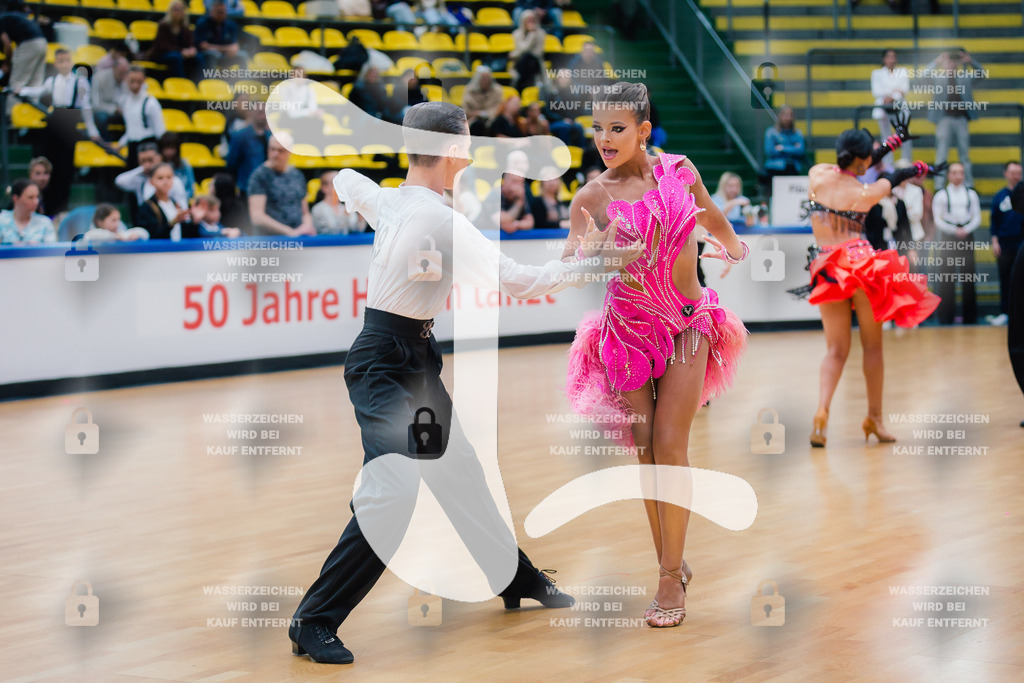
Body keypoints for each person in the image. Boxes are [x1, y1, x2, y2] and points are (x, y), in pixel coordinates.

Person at [288, 100, 641, 665]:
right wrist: (596, 263)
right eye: (468, 142)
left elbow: (344, 179)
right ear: (452, 152)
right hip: (383, 364)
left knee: (460, 476)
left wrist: (362, 184)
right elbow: (520, 282)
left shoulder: (392, 201)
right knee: (394, 489)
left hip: (414, 360)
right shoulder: (438, 221)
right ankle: (313, 620)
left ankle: (513, 579)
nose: (473, 151)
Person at [564, 82, 749, 629]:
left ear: (644, 130)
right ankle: (670, 562)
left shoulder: (680, 171)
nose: (604, 138)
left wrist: (735, 246)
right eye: (597, 128)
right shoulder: (592, 196)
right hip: (626, 331)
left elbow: (711, 217)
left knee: (670, 443)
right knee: (645, 453)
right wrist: (602, 247)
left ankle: (670, 579)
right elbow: (571, 263)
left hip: (688, 323)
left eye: (617, 128)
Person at [790, 122, 940, 447]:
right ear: (860, 162)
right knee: (873, 347)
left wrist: (893, 141)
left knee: (835, 350)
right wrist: (920, 167)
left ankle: (822, 410)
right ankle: (875, 418)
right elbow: (895, 176)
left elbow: (864, 162)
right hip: (860, 266)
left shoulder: (817, 174)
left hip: (826, 265)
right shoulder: (864, 193)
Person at [17, 48, 100, 215]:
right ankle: (44, 206)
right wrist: (22, 90)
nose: (64, 64)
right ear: (56, 63)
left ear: (72, 61)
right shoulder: (52, 81)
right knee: (49, 168)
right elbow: (39, 91)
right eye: (60, 61)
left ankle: (61, 209)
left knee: (65, 170)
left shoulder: (80, 82)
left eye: (67, 60)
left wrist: (92, 130)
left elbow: (85, 106)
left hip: (69, 125)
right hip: (54, 124)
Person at [926, 49, 984, 190]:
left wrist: (970, 61)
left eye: (953, 61)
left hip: (961, 119)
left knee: (964, 154)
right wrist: (937, 61)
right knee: (941, 154)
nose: (951, 64)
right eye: (948, 61)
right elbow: (924, 75)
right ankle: (939, 185)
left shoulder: (965, 77)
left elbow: (981, 73)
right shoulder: (938, 78)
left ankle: (968, 185)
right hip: (944, 119)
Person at [932, 161, 980, 325]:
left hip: (966, 236)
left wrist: (966, 229)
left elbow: (977, 217)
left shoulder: (971, 194)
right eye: (954, 172)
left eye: (961, 172)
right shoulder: (941, 195)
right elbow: (938, 220)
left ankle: (970, 317)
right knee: (947, 278)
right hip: (948, 238)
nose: (958, 175)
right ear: (948, 175)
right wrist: (954, 231)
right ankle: (946, 317)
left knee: (968, 277)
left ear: (964, 175)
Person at [247, 134, 316, 237]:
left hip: (298, 237)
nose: (275, 154)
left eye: (281, 150)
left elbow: (305, 212)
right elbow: (257, 217)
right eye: (272, 149)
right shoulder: (259, 176)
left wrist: (307, 226)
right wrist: (288, 231)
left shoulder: (297, 175)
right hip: (270, 239)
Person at [989, 161, 1023, 327]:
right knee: (1006, 279)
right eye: (1013, 172)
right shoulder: (1000, 196)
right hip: (1004, 243)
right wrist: (995, 241)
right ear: (1006, 174)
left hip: (1021, 243)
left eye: (1018, 172)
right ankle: (1005, 312)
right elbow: (994, 221)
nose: (1016, 175)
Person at [115, 141, 189, 211]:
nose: (147, 165)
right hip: (145, 220)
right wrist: (142, 168)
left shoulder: (173, 180)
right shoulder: (139, 179)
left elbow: (183, 205)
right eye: (143, 161)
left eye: (150, 160)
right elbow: (119, 181)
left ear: (159, 157)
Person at [117, 66, 165, 170]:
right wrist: (121, 143)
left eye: (139, 81)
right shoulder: (125, 101)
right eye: (132, 81)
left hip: (148, 148)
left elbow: (160, 131)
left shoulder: (151, 102)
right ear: (126, 80)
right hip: (132, 147)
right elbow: (131, 128)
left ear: (144, 80)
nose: (135, 85)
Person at [0, 10, 47, 115]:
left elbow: (7, 44)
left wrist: (7, 64)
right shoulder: (10, 17)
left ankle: (10, 119)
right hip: (42, 42)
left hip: (28, 43)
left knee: (16, 84)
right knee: (34, 84)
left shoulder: (1, 20)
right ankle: (31, 118)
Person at [871, 49, 911, 163]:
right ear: (884, 59)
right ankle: (888, 164)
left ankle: (906, 163)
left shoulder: (903, 71)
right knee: (886, 137)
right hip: (884, 107)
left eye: (893, 57)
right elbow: (876, 91)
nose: (891, 60)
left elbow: (904, 89)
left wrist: (892, 96)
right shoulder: (877, 73)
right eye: (889, 57)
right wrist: (895, 92)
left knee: (904, 136)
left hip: (899, 107)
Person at [759, 105, 807, 197]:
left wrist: (782, 148)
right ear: (779, 116)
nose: (788, 118)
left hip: (793, 170)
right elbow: (770, 151)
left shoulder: (798, 133)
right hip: (774, 171)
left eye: (790, 115)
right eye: (785, 115)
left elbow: (800, 151)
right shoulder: (771, 132)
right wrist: (793, 147)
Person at [225, 101, 270, 195]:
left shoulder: (271, 137)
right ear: (250, 113)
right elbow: (231, 164)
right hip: (247, 188)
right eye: (260, 112)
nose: (263, 116)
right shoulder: (239, 137)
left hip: (268, 187)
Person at [136, 162, 190, 239]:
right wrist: (173, 222)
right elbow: (151, 235)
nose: (165, 182)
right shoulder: (147, 207)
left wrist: (195, 220)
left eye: (169, 177)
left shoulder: (175, 203)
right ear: (151, 181)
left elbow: (185, 233)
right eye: (160, 178)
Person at [149, 0, 198, 79]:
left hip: (180, 54)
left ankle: (199, 81)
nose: (179, 12)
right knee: (176, 57)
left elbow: (190, 43)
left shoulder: (186, 28)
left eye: (181, 9)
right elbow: (163, 46)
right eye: (176, 9)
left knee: (198, 57)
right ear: (170, 11)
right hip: (161, 54)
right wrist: (182, 51)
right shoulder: (163, 25)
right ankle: (181, 81)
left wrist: (192, 49)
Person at [195, 0, 245, 71]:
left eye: (224, 12)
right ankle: (210, 80)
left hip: (225, 55)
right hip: (207, 56)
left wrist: (219, 49)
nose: (222, 14)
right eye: (219, 12)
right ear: (212, 12)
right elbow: (203, 46)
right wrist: (225, 49)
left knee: (242, 55)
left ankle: (243, 80)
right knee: (212, 54)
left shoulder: (231, 25)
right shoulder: (202, 23)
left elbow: (235, 46)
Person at [311, 170, 366, 235]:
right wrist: (345, 215)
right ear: (324, 187)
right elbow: (330, 233)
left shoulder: (345, 207)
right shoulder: (318, 209)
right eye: (336, 183)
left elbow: (357, 230)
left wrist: (361, 216)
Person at [0, 179, 54, 244]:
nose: (36, 202)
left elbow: (52, 250)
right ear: (16, 198)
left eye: (37, 197)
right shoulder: (2, 221)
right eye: (30, 197)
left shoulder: (45, 223)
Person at [91, 56, 129, 142]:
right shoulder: (98, 78)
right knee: (101, 117)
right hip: (105, 112)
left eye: (125, 73)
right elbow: (96, 105)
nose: (124, 77)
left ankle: (126, 142)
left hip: (122, 112)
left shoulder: (127, 79)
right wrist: (115, 109)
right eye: (121, 73)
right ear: (113, 69)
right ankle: (105, 143)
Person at [509, 9, 545, 92]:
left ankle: (521, 88)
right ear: (523, 21)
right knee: (526, 59)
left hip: (535, 63)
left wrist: (531, 35)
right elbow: (518, 51)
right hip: (519, 63)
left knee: (529, 59)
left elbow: (538, 53)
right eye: (528, 20)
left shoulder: (540, 33)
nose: (531, 22)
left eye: (532, 20)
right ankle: (525, 88)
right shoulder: (516, 33)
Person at [462, 66, 504, 135]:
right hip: (473, 120)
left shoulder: (497, 90)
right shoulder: (469, 90)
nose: (486, 81)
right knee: (476, 126)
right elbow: (465, 109)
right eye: (483, 78)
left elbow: (498, 108)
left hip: (491, 119)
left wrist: (482, 113)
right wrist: (473, 114)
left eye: (488, 78)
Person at [81, 203, 149, 242]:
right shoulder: (94, 234)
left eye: (118, 220)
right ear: (100, 222)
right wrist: (114, 236)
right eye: (113, 220)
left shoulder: (121, 234)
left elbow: (145, 233)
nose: (117, 223)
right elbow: (89, 236)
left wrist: (134, 235)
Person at [158, 132, 196, 201]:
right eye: (166, 148)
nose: (168, 152)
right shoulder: (157, 166)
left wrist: (181, 198)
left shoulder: (184, 164)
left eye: (172, 148)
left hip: (182, 202)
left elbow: (191, 188)